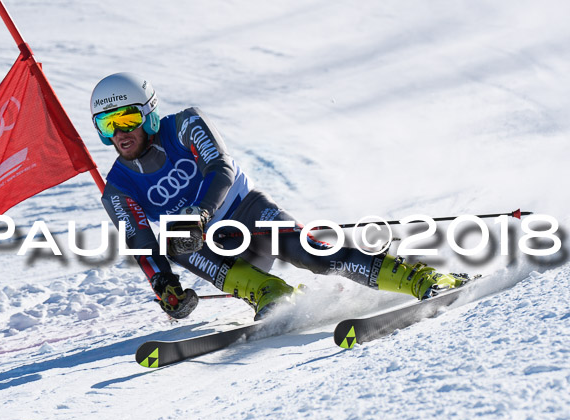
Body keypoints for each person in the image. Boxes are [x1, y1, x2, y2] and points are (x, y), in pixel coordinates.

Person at [91, 72, 468, 320]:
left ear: (150, 114)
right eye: (107, 126)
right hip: (208, 249)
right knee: (173, 239)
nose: (119, 134)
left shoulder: (186, 124)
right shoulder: (119, 188)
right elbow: (141, 242)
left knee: (313, 254)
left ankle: (420, 279)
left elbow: (219, 167)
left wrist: (201, 213)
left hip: (246, 211)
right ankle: (270, 293)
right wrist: (164, 286)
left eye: (127, 118)